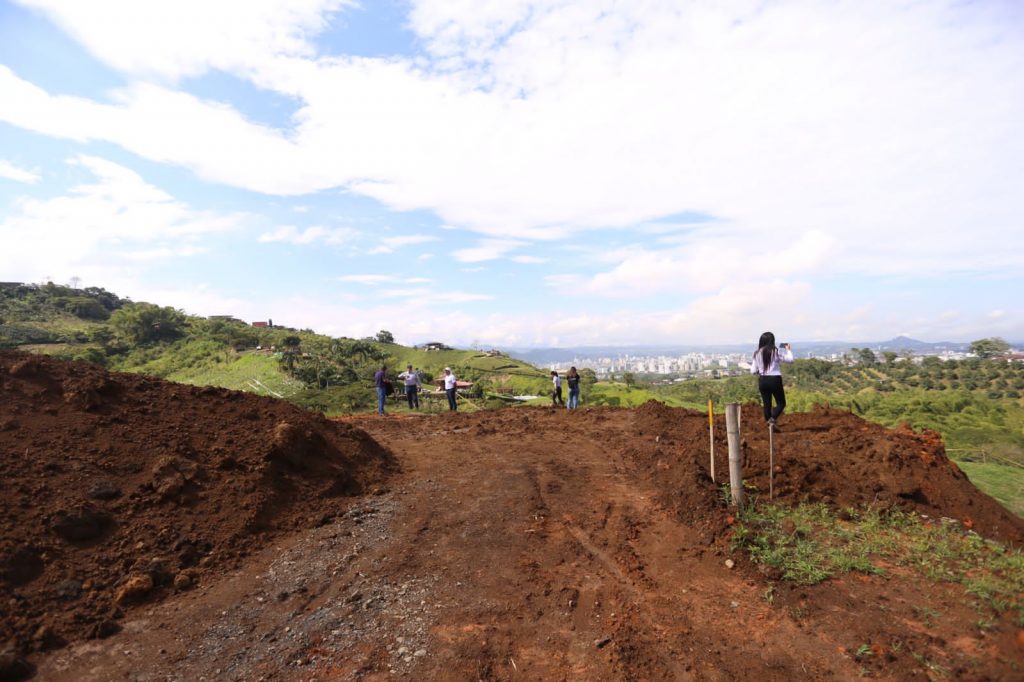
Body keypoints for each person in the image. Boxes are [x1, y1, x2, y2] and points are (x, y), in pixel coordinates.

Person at [750, 332, 794, 429]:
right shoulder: (775, 351)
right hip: (775, 379)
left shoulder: (756, 353)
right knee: (781, 403)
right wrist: (788, 350)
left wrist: (760, 371)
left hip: (763, 380)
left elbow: (753, 371)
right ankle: (772, 420)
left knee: (767, 404)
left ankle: (770, 426)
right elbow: (790, 360)